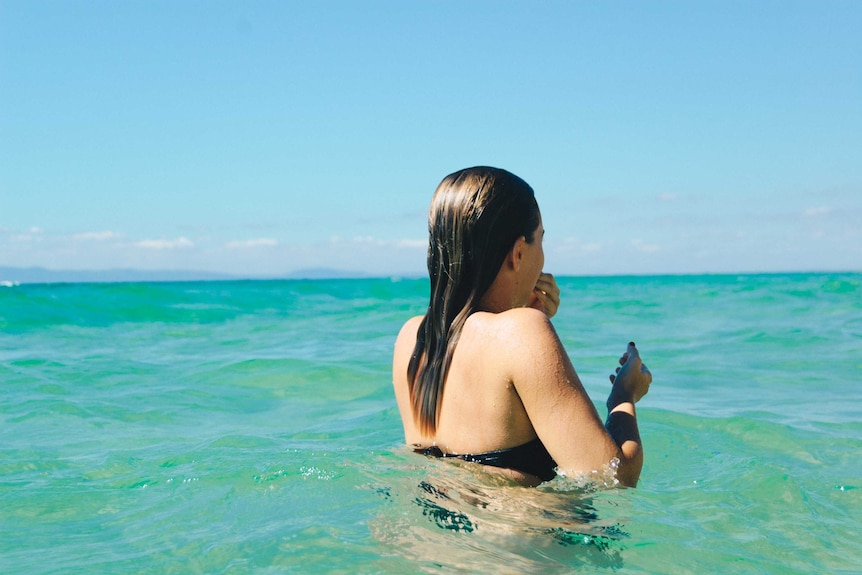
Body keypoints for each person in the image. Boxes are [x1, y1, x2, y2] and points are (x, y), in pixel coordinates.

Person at [392, 166, 651, 487]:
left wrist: (520, 313)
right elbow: (615, 476)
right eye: (540, 240)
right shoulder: (522, 332)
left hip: (434, 530)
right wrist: (623, 395)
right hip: (527, 535)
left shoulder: (411, 338)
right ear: (517, 252)